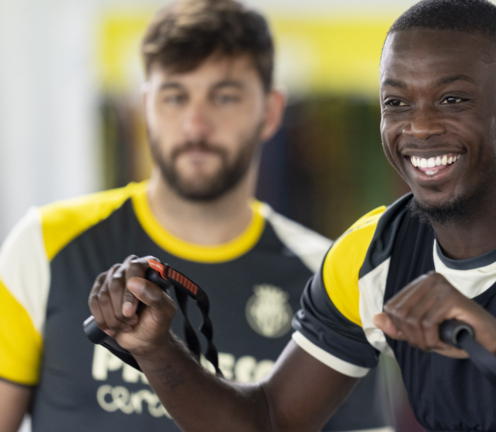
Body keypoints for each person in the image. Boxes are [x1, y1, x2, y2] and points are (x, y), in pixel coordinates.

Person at [86, 0, 496, 431]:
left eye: (452, 98)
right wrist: (158, 352)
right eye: (397, 102)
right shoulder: (371, 253)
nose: (418, 127)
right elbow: (273, 421)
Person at [0, 1, 392, 431]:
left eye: (224, 96)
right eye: (175, 96)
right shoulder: (45, 243)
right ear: (146, 106)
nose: (195, 124)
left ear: (271, 111)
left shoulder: (328, 274)